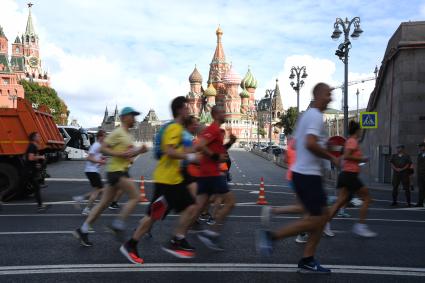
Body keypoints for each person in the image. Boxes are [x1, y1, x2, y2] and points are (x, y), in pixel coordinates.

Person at [257, 83, 339, 274]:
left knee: (321, 216)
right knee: (318, 219)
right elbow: (310, 143)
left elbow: (294, 145)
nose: (330, 98)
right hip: (308, 175)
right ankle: (271, 237)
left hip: (303, 174)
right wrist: (331, 157)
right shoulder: (315, 116)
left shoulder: (305, 117)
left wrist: (327, 149)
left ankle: (308, 259)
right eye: (328, 94)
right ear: (319, 95)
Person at [120, 96, 199, 264]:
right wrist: (190, 156)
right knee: (154, 215)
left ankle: (176, 239)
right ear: (179, 110)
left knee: (189, 207)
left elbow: (181, 148)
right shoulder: (174, 128)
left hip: (174, 180)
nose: (189, 111)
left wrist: (198, 150)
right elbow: (169, 151)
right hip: (167, 181)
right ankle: (133, 244)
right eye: (186, 108)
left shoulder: (177, 128)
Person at [73, 107, 148, 246]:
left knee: (103, 204)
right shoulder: (118, 132)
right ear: (124, 117)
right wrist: (119, 154)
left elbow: (130, 155)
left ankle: (83, 230)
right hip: (117, 172)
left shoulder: (128, 135)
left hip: (118, 170)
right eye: (132, 116)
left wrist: (140, 150)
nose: (135, 119)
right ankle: (117, 224)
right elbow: (103, 148)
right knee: (136, 196)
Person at [195, 105, 237, 251]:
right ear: (215, 115)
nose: (225, 113)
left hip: (210, 173)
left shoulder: (220, 131)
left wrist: (230, 142)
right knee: (231, 202)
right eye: (222, 112)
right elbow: (201, 145)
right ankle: (211, 233)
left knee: (199, 207)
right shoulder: (213, 129)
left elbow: (219, 151)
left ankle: (178, 236)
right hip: (212, 173)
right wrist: (214, 157)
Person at [328, 121, 377, 237]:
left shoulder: (350, 141)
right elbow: (347, 156)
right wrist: (362, 159)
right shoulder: (352, 141)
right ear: (357, 131)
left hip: (347, 174)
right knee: (367, 198)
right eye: (360, 130)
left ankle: (325, 224)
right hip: (350, 175)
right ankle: (360, 227)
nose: (361, 132)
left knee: (340, 202)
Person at [73, 130, 107, 215]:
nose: (105, 138)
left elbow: (95, 156)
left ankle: (80, 199)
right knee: (99, 190)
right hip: (91, 171)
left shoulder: (98, 145)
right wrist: (100, 162)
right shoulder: (96, 145)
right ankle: (87, 209)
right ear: (99, 137)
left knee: (99, 190)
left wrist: (102, 158)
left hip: (92, 171)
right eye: (104, 136)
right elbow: (88, 157)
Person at [26, 132, 49, 211]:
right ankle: (40, 206)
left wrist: (37, 164)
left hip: (30, 171)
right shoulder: (32, 146)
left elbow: (32, 159)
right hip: (29, 172)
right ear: (34, 138)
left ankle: (40, 205)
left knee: (36, 188)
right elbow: (30, 158)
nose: (39, 137)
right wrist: (41, 157)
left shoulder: (34, 146)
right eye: (38, 136)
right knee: (36, 188)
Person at [415, 142, 425, 207]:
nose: (420, 148)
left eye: (421, 146)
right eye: (420, 146)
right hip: (420, 174)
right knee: (421, 189)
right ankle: (420, 202)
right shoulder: (420, 154)